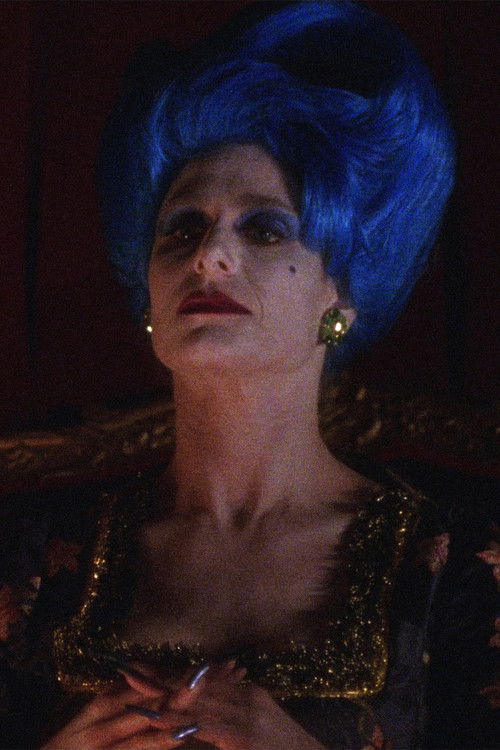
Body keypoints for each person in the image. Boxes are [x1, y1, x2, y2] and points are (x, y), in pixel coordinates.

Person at [1, 2, 497, 749]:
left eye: (264, 229)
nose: (209, 255)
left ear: (342, 294)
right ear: (147, 294)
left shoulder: (456, 563)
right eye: (182, 228)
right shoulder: (29, 553)